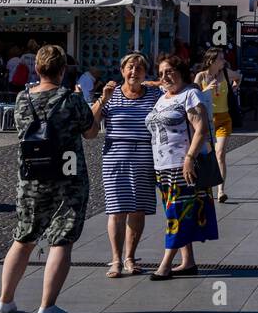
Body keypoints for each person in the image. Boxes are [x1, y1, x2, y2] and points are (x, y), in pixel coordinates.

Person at [0, 45, 97, 313]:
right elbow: (90, 132)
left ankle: (5, 301)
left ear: (37, 69)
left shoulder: (21, 98)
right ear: (63, 70)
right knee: (61, 240)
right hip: (67, 178)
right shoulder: (71, 100)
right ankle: (47, 305)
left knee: (24, 237)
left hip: (31, 178)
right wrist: (96, 105)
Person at [146, 56, 218, 279]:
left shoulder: (190, 95)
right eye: (161, 73)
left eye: (169, 71)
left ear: (181, 71)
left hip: (182, 166)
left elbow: (201, 128)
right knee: (175, 213)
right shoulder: (163, 97)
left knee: (177, 215)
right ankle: (188, 262)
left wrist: (189, 157)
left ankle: (165, 265)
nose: (165, 77)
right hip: (163, 167)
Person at [92, 53, 158, 278]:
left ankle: (130, 257)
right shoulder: (110, 95)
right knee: (117, 210)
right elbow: (90, 130)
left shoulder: (154, 96)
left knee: (138, 210)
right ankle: (116, 260)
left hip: (144, 157)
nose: (134, 72)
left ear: (145, 73)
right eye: (130, 67)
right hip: (115, 158)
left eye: (139, 68)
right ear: (122, 71)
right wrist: (102, 99)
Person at [195, 48, 240, 202]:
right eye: (220, 58)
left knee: (220, 153)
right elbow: (191, 96)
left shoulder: (226, 72)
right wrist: (206, 89)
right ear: (211, 61)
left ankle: (221, 190)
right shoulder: (200, 76)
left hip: (224, 118)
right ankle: (204, 187)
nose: (223, 61)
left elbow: (239, 76)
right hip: (206, 120)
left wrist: (235, 86)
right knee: (206, 155)